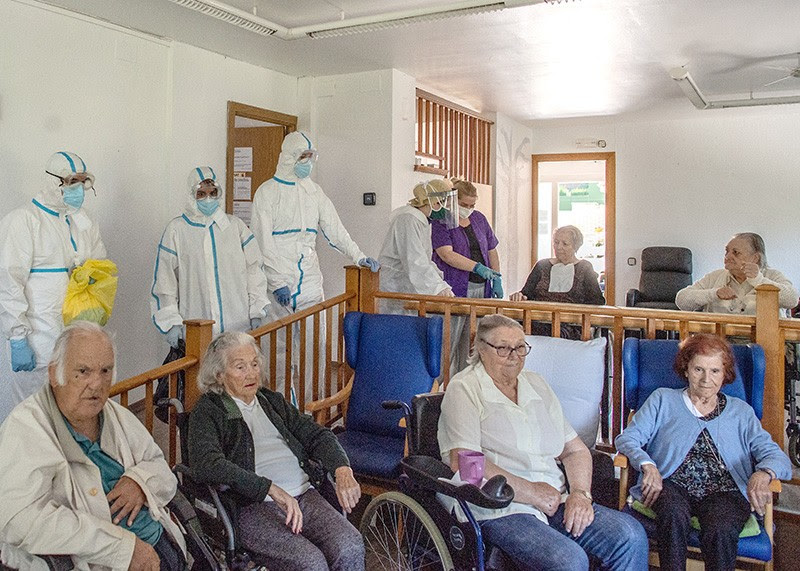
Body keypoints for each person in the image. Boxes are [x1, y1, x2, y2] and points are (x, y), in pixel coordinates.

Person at [438, 314, 648, 570]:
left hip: (555, 498)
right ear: (480, 348)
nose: (514, 356)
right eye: (503, 348)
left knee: (630, 535)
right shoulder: (465, 387)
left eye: (520, 347)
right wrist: (530, 492)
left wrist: (581, 494)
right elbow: (466, 464)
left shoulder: (536, 384)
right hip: (499, 506)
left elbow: (575, 450)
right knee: (569, 560)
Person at [0, 321, 185, 570]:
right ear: (55, 374)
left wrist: (140, 483)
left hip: (160, 545)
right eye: (83, 372)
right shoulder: (25, 428)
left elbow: (160, 467)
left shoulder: (118, 416)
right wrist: (122, 549)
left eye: (105, 371)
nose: (96, 384)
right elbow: (20, 521)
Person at [187, 331, 364, 571]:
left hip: (305, 495)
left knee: (350, 545)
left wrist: (342, 468)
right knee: (310, 563)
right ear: (219, 375)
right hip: (253, 507)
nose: (251, 373)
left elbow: (317, 434)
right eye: (240, 367)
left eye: (254, 364)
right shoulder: (209, 411)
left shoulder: (270, 401)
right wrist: (269, 489)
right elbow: (207, 463)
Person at [615, 334, 791, 571]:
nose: (707, 379)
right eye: (699, 369)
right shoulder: (662, 400)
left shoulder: (741, 412)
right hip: (671, 483)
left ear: (725, 374)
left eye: (715, 371)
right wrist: (647, 465)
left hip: (725, 490)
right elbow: (627, 439)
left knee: (720, 528)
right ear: (686, 368)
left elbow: (777, 456)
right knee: (672, 514)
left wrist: (763, 474)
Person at [250, 132, 378, 404]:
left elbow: (335, 230)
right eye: (302, 157)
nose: (307, 163)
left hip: (308, 281)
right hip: (278, 284)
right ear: (288, 158)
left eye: (310, 157)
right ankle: (279, 408)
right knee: (278, 351)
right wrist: (276, 282)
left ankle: (311, 408)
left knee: (314, 349)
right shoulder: (267, 192)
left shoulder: (313, 191)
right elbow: (262, 243)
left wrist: (359, 256)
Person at [0, 151, 107, 424]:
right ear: (52, 181)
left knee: (65, 417)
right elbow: (9, 283)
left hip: (72, 340)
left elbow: (100, 264)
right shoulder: (23, 221)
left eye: (83, 182)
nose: (79, 189)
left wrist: (92, 276)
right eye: (71, 182)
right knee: (26, 418)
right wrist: (17, 337)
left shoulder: (82, 221)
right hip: (34, 341)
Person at [151, 166, 270, 346]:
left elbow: (254, 270)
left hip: (238, 326)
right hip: (197, 328)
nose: (208, 199)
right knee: (200, 373)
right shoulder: (177, 230)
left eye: (213, 193)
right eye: (201, 194)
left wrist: (257, 309)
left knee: (235, 371)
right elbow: (165, 281)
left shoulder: (235, 227)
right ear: (192, 195)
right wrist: (171, 322)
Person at [431, 178, 502, 375]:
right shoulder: (442, 221)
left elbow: (492, 249)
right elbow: (447, 254)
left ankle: (468, 387)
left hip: (481, 288)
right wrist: (477, 267)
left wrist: (496, 277)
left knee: (474, 344)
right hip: (455, 288)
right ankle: (440, 389)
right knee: (449, 343)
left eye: (472, 205)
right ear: (453, 200)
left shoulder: (479, 218)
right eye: (464, 205)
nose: (468, 208)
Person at [510, 225, 605, 339]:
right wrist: (519, 296)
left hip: (571, 326)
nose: (559, 247)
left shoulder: (584, 268)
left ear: (575, 246)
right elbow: (526, 293)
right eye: (556, 242)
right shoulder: (542, 265)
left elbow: (597, 300)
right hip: (536, 322)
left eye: (565, 243)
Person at [378, 179, 459, 310]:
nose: (445, 208)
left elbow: (425, 260)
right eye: (441, 203)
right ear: (430, 202)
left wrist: (440, 282)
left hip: (406, 287)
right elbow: (415, 261)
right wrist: (439, 288)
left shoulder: (423, 221)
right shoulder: (407, 219)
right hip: (395, 286)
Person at [676, 232, 798, 316]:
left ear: (755, 258)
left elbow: (792, 300)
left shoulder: (772, 276)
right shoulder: (715, 276)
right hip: (720, 344)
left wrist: (758, 280)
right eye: (727, 251)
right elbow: (681, 300)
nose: (727, 257)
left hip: (763, 346)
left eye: (736, 252)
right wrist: (714, 293)